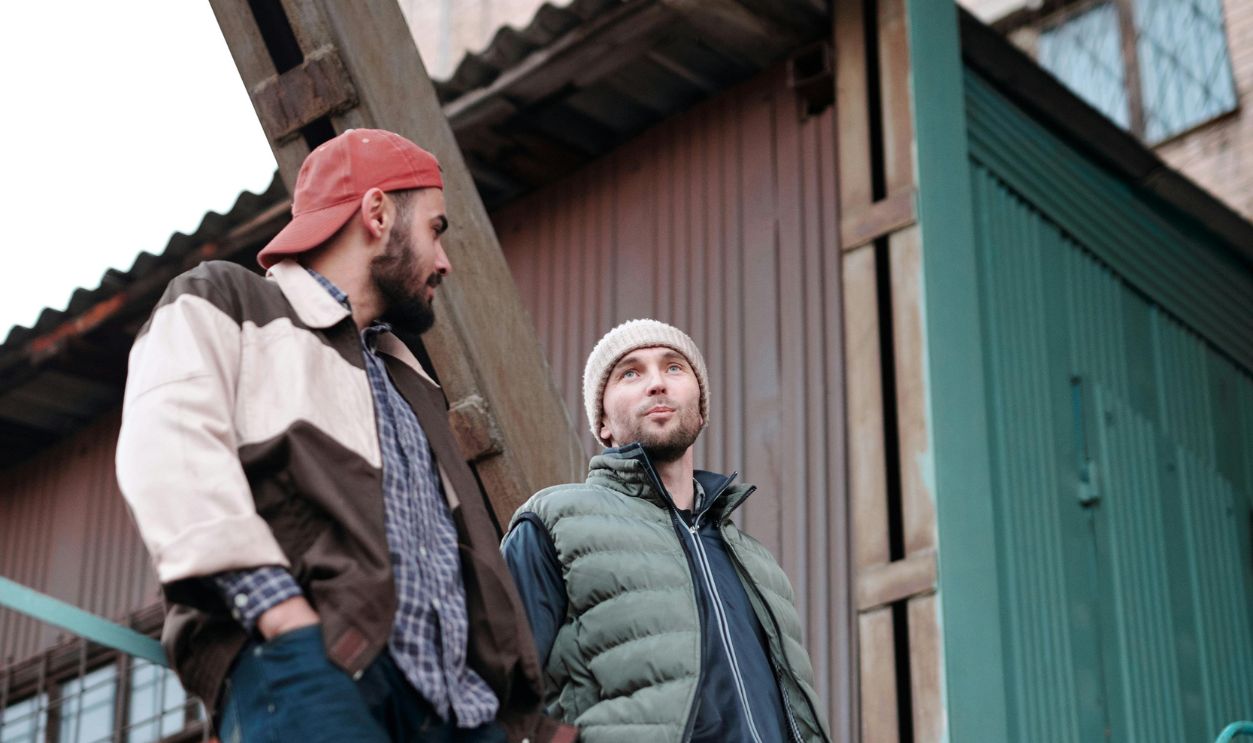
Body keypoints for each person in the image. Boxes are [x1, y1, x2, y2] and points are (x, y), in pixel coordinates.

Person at [116, 129, 574, 743]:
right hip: (315, 670)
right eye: (436, 229)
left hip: (453, 710)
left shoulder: (407, 375)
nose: (444, 261)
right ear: (378, 214)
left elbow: (459, 555)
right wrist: (283, 618)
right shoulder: (225, 300)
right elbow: (167, 452)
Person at [502, 319, 832, 743]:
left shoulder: (759, 565)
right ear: (602, 423)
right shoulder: (554, 523)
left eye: (674, 367)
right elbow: (498, 694)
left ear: (701, 408)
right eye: (630, 373)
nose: (657, 383)